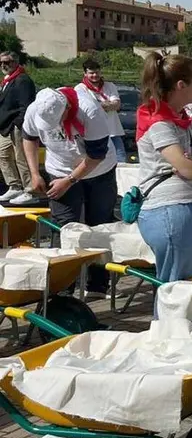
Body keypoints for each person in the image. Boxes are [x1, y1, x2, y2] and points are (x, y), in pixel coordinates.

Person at [21, 87, 116, 294]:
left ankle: (98, 285)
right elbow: (29, 138)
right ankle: (62, 291)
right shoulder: (34, 109)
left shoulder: (89, 110)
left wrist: (70, 180)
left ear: (68, 108)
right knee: (63, 228)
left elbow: (97, 155)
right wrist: (35, 173)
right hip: (59, 171)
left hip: (99, 171)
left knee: (98, 226)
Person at [133, 53, 192, 282]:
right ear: (181, 85)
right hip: (171, 208)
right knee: (178, 287)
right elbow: (190, 169)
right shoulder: (158, 122)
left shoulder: (182, 119)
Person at [0, 51, 38, 205]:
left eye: (7, 62)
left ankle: (30, 190)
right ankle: (14, 186)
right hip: (5, 126)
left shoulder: (22, 80)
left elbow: (26, 105)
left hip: (17, 126)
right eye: (1, 63)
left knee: (21, 158)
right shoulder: (7, 80)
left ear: (15, 62)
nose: (3, 65)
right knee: (3, 155)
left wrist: (18, 123)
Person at [76, 58, 126, 163]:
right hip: (94, 135)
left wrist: (97, 105)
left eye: (97, 72)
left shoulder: (109, 86)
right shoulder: (80, 89)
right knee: (97, 165)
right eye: (91, 73)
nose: (95, 75)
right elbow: (85, 109)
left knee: (122, 163)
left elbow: (116, 105)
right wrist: (107, 104)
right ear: (85, 73)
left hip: (113, 132)